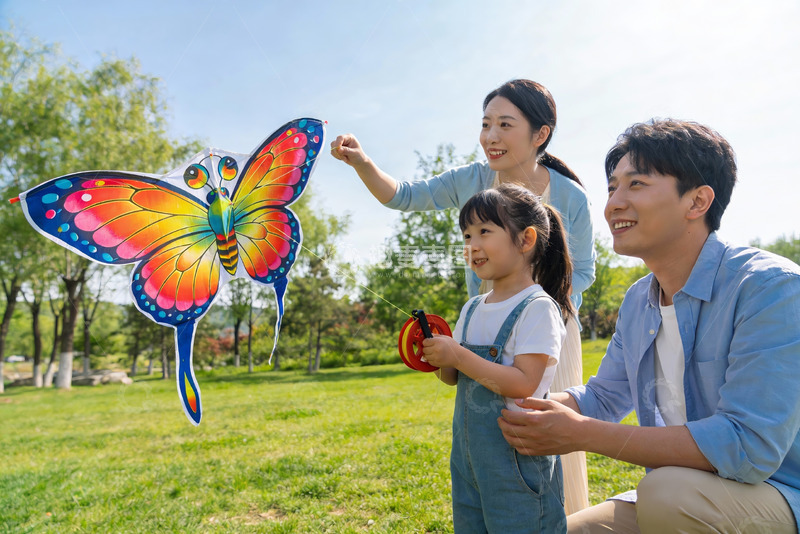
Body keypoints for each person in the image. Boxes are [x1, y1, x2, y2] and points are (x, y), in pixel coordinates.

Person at [498, 118, 800, 533]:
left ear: (697, 202)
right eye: (612, 188)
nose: (613, 204)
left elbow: (746, 445)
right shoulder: (639, 300)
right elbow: (603, 397)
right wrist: (520, 404)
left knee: (667, 494)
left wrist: (582, 433)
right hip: (679, 493)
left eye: (636, 184)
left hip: (778, 492)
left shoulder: (770, 288)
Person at [331, 79, 594, 514]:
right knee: (490, 441)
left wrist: (526, 299)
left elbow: (582, 271)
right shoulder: (471, 180)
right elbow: (404, 196)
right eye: (486, 124)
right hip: (485, 330)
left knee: (551, 446)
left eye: (505, 124)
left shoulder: (570, 196)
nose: (490, 136)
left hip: (549, 336)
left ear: (540, 134)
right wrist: (362, 162)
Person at [421, 184, 571, 533]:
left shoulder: (537, 308)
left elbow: (524, 383)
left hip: (517, 461)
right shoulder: (472, 307)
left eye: (484, 231)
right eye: (467, 235)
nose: (472, 245)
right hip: (468, 458)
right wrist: (435, 356)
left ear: (526, 239)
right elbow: (453, 376)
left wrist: (458, 355)